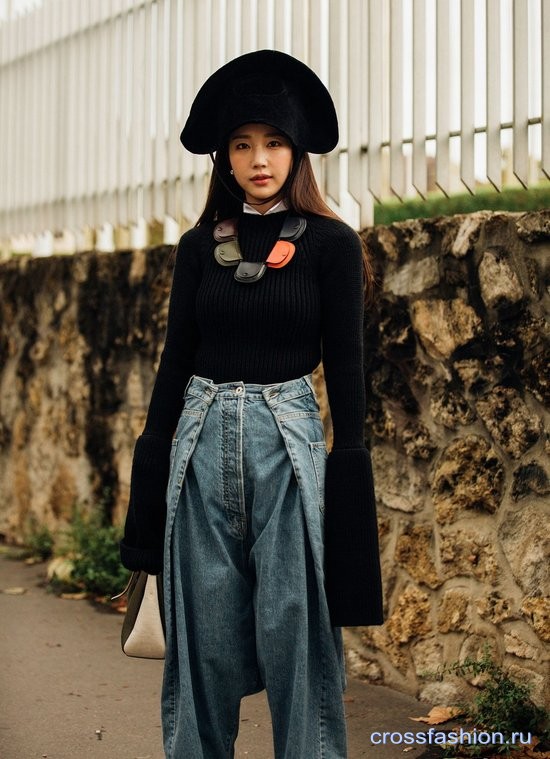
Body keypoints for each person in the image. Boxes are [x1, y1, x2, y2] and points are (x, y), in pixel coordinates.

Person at [120, 49, 383, 759]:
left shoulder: (331, 244)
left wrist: (349, 470)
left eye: (272, 142)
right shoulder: (199, 248)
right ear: (223, 158)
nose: (258, 158)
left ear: (295, 152)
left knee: (296, 626)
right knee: (202, 635)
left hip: (288, 441)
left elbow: (348, 366)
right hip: (200, 440)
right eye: (242, 144)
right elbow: (175, 360)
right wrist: (152, 471)